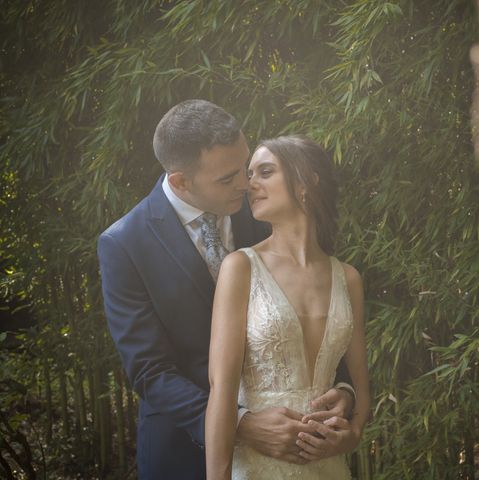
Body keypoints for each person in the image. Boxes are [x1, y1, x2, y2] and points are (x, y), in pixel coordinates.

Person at [97, 101, 356, 480]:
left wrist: (344, 391)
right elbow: (150, 371)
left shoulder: (264, 208)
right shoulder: (125, 244)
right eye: (228, 177)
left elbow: (315, 307)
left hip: (298, 446)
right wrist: (242, 424)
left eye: (246, 166)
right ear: (181, 181)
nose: (246, 183)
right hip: (183, 449)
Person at [205, 135, 370, 479]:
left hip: (329, 467)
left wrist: (351, 436)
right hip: (258, 465)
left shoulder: (348, 278)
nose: (250, 184)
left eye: (265, 172)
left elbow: (360, 384)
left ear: (306, 181)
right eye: (249, 175)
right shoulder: (241, 268)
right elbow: (221, 391)